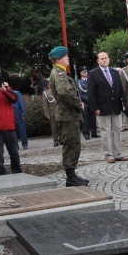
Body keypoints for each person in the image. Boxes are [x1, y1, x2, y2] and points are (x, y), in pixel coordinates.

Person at [48, 46, 88, 187]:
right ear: (58, 59)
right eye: (65, 56)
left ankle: (72, 175)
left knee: (73, 144)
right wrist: (78, 104)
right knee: (71, 145)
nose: (68, 58)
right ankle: (70, 178)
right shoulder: (59, 73)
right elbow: (64, 92)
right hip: (67, 115)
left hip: (68, 115)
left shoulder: (60, 72)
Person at [88, 51, 128, 164]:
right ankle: (109, 154)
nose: (104, 60)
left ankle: (118, 153)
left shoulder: (115, 72)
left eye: (106, 58)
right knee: (106, 131)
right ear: (98, 61)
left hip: (116, 106)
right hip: (102, 107)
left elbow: (120, 88)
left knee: (116, 130)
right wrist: (95, 107)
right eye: (102, 58)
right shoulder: (93, 73)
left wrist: (124, 102)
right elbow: (91, 93)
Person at [40, 75, 62, 147]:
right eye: (50, 83)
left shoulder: (58, 91)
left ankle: (61, 139)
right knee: (54, 127)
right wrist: (47, 114)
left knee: (60, 126)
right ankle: (55, 140)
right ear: (48, 84)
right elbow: (45, 104)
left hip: (59, 111)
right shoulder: (46, 93)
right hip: (52, 112)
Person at [77, 66, 97, 140]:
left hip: (92, 102)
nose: (85, 73)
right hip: (84, 103)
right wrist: (81, 102)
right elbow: (79, 93)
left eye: (86, 71)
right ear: (80, 73)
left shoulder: (91, 80)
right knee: (86, 119)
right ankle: (86, 134)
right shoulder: (78, 82)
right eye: (83, 72)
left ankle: (94, 133)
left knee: (93, 118)